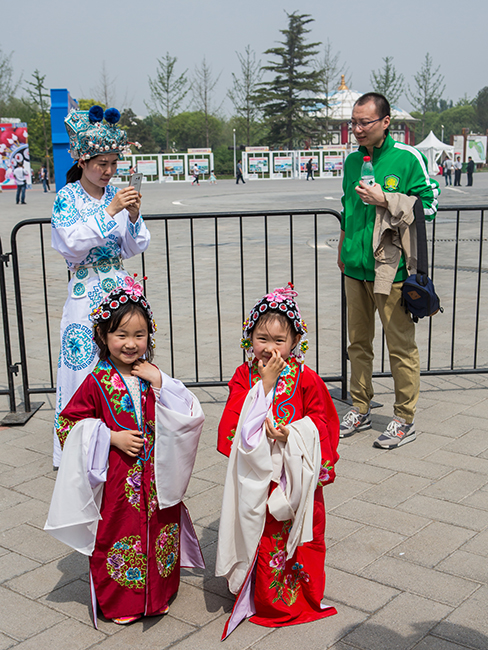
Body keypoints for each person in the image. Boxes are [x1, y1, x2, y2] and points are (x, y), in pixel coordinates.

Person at [45, 277, 205, 626]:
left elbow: (187, 410)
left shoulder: (151, 376)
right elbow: (67, 424)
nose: (131, 344)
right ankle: (121, 602)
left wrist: (161, 382)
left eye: (140, 335)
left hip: (156, 476)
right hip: (118, 479)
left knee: (161, 530)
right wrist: (109, 437)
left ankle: (158, 595)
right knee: (117, 533)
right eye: (121, 335)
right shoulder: (96, 381)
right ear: (103, 336)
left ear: (150, 336)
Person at [216, 284, 339, 639]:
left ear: (295, 340)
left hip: (291, 476)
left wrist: (296, 434)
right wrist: (264, 387)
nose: (269, 348)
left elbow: (323, 421)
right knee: (261, 535)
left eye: (279, 340)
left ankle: (294, 598)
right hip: (258, 477)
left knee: (294, 538)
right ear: (248, 338)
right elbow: (232, 425)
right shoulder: (244, 377)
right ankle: (260, 596)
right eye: (261, 338)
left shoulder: (307, 378)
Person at [337, 92, 439, 449]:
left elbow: (430, 204)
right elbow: (347, 208)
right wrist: (343, 248)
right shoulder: (352, 162)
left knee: (400, 346)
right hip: (355, 267)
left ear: (385, 121)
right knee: (358, 344)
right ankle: (360, 406)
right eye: (354, 122)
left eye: (365, 122)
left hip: (391, 269)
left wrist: (386, 200)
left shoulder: (408, 158)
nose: (357, 128)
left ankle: (403, 417)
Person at [51, 105, 150, 467]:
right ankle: (78, 443)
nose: (108, 171)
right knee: (83, 363)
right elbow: (70, 244)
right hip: (84, 289)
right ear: (81, 161)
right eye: (100, 163)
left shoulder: (116, 196)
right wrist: (110, 214)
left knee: (124, 359)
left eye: (112, 163)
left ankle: (126, 431)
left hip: (118, 287)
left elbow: (133, 246)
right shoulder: (67, 198)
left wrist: (134, 218)